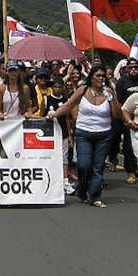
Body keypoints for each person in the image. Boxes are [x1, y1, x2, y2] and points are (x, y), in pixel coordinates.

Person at [52, 64, 120, 208]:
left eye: (103, 76)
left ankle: (95, 196)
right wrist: (54, 114)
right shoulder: (83, 90)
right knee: (84, 165)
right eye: (98, 75)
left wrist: (112, 98)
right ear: (91, 77)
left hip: (104, 134)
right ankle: (82, 189)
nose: (101, 78)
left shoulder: (109, 92)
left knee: (98, 167)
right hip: (84, 133)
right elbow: (68, 105)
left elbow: (116, 114)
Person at [112, 58, 138, 183]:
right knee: (128, 145)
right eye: (131, 67)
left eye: (136, 67)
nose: (134, 69)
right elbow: (118, 101)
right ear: (126, 69)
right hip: (126, 118)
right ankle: (130, 171)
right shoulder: (122, 82)